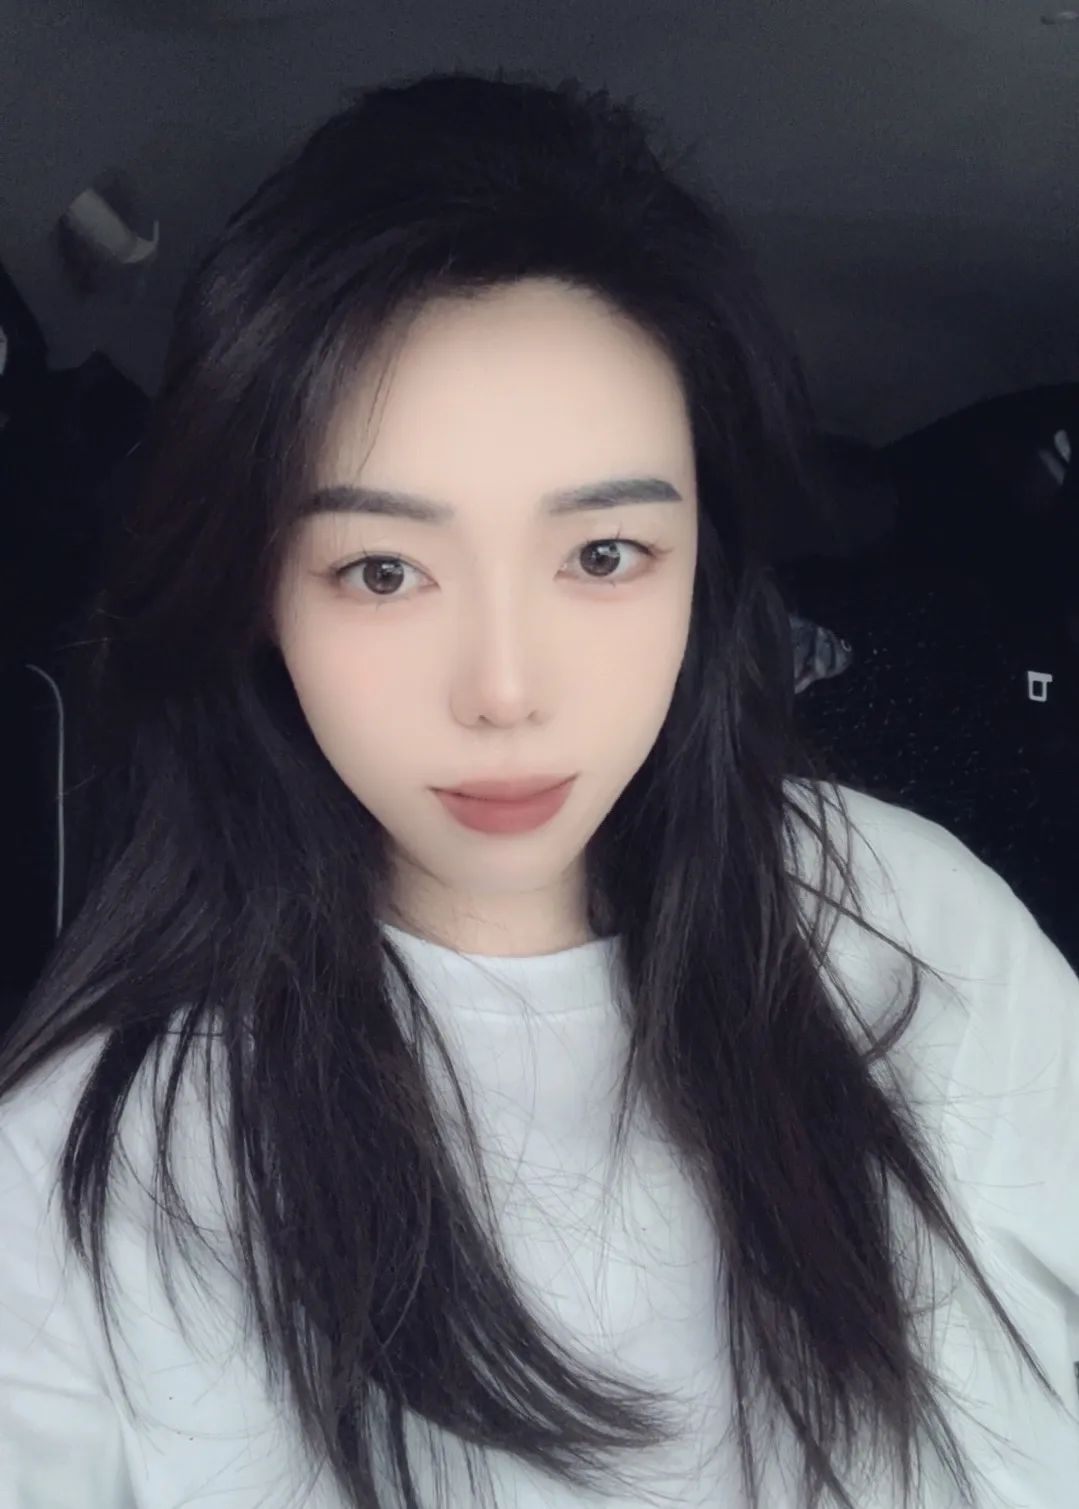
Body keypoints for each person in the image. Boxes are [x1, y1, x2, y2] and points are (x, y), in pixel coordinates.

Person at [0, 67, 1076, 1509]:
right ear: (259, 593)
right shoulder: (79, 1179)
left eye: (603, 556)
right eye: (383, 570)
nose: (505, 691)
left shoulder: (915, 920)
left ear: (704, 568)